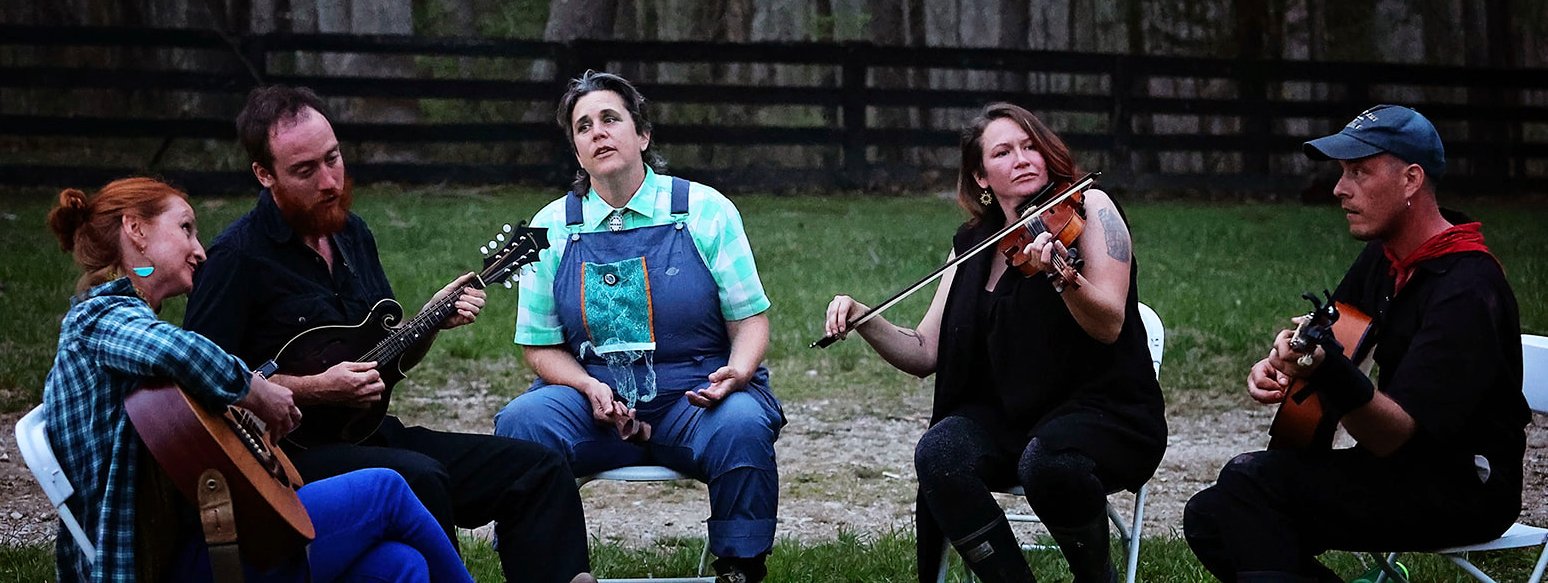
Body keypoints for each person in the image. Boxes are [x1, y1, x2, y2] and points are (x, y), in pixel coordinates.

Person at [183, 86, 594, 583]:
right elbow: (200, 388)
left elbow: (381, 360)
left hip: (364, 434)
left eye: (333, 158)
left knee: (538, 470)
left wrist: (430, 321)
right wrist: (316, 388)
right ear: (264, 175)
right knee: (419, 475)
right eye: (305, 170)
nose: (330, 181)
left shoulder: (352, 235)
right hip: (286, 456)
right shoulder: (236, 259)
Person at [43, 176, 473, 583]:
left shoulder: (126, 330)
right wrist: (258, 391)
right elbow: (183, 351)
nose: (200, 250)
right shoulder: (97, 318)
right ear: (135, 229)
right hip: (160, 564)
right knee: (387, 490)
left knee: (400, 565)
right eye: (186, 228)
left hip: (201, 543)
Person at [823, 103, 1166, 583]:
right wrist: (863, 318)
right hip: (1012, 415)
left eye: (1030, 147)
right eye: (1003, 152)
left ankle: (1098, 577)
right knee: (940, 453)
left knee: (1048, 463)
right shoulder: (972, 245)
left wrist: (1064, 278)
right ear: (981, 177)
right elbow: (925, 352)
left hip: (1103, 409)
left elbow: (1109, 322)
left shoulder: (1090, 208)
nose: (1023, 159)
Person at [1183, 105, 1527, 582]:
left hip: (1465, 486)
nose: (1340, 188)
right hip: (1401, 470)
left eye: (1359, 172)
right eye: (1342, 172)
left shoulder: (1467, 286)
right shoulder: (1384, 258)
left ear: (1411, 179)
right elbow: (1334, 335)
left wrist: (1324, 369)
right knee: (1212, 515)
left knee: (1248, 487)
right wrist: (1283, 361)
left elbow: (1392, 433)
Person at [493, 70, 785, 583]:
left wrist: (737, 373)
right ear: (577, 152)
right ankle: (551, 572)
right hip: (592, 402)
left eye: (610, 118)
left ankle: (740, 568)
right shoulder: (549, 228)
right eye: (583, 127)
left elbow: (750, 321)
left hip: (696, 398)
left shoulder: (705, 211)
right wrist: (587, 385)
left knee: (742, 424)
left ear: (642, 134)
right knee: (522, 422)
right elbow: (539, 348)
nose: (598, 132)